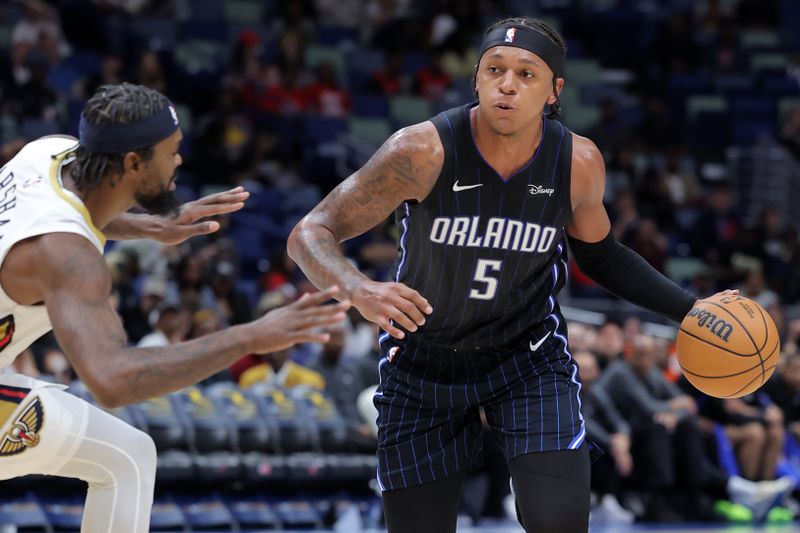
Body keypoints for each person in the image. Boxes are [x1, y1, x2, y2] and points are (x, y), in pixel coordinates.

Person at [288, 17, 732, 533]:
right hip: (423, 361)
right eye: (494, 69)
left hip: (527, 357)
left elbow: (601, 256)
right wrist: (359, 289)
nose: (507, 84)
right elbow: (309, 234)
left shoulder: (577, 162)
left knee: (559, 522)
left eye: (527, 74)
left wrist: (690, 310)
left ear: (554, 91)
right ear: (476, 78)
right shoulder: (421, 152)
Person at [0, 82, 349, 533]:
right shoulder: (69, 257)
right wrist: (249, 335)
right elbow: (112, 380)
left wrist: (151, 226)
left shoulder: (48, 154)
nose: (179, 160)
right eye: (172, 151)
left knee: (128, 457)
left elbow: (78, 212)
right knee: (126, 459)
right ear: (132, 163)